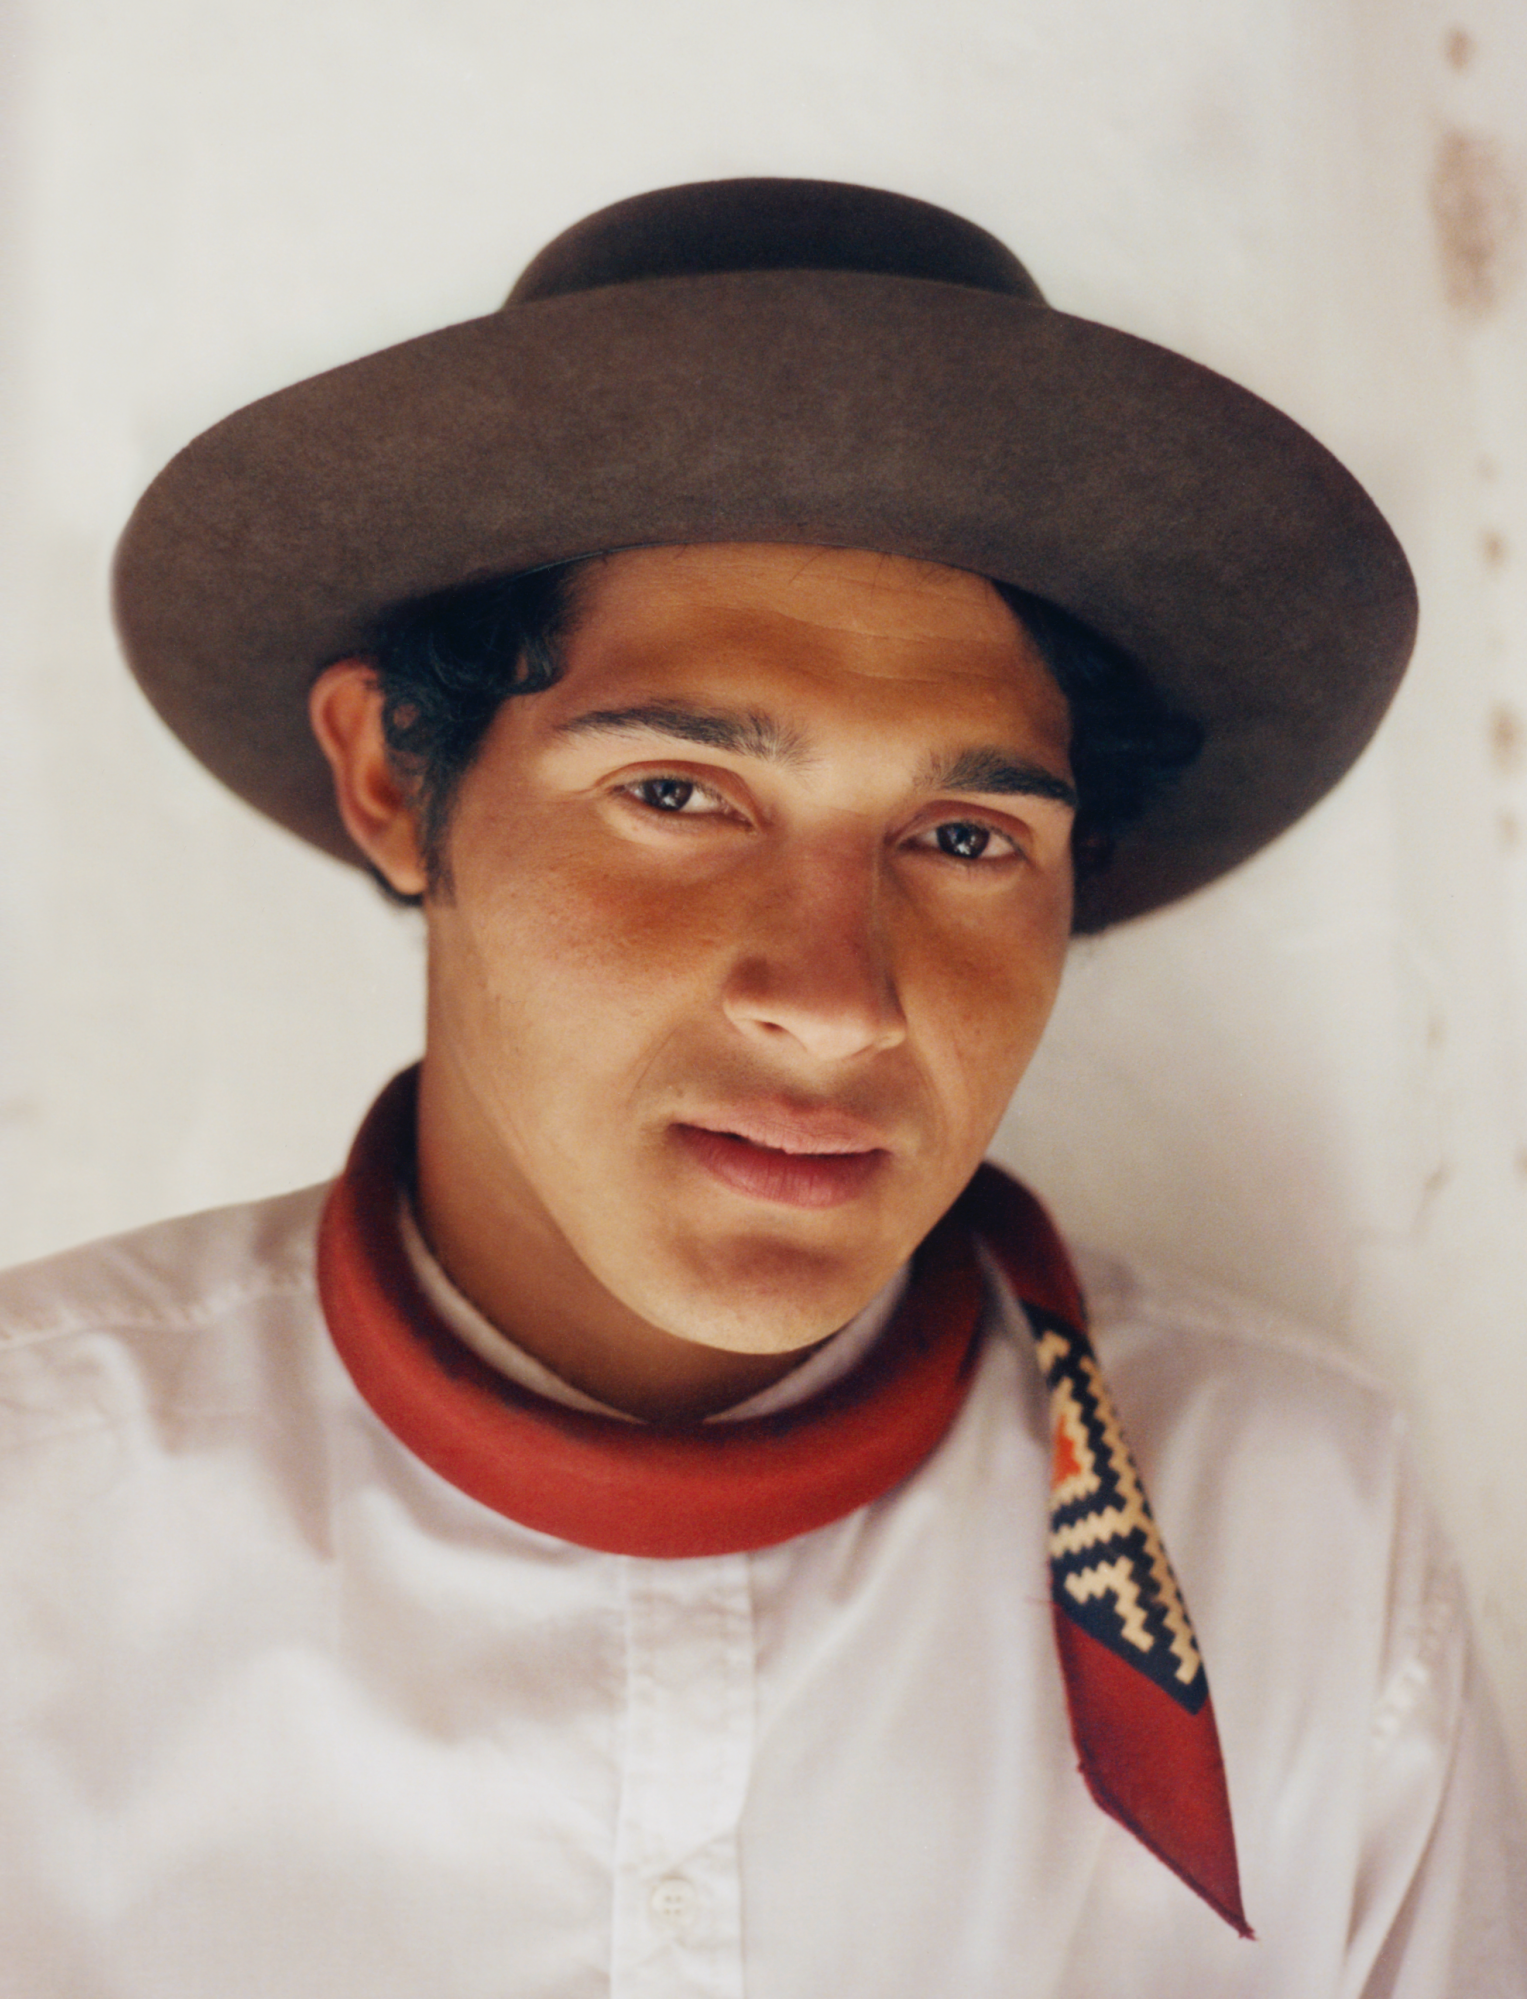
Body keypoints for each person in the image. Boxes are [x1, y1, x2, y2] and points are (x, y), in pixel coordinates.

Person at [0, 178, 1521, 1996]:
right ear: (396, 781)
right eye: (675, 795)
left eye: (962, 835)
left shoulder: (1297, 1532)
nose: (835, 1001)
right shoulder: (39, 1512)